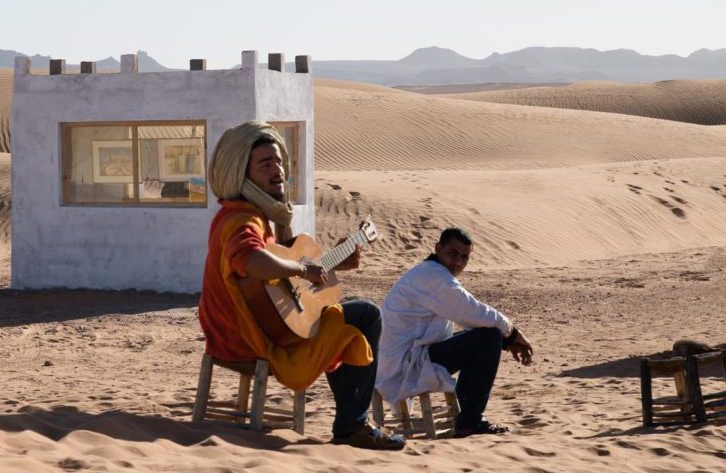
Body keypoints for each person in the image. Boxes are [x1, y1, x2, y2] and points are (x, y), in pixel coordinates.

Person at [198, 121, 404, 450]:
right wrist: (302, 268)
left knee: (333, 313)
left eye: (279, 161)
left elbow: (281, 267)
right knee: (365, 315)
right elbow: (251, 261)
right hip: (247, 338)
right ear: (242, 173)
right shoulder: (242, 220)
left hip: (244, 329)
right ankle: (352, 425)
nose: (278, 170)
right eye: (265, 164)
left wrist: (335, 261)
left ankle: (352, 423)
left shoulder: (254, 216)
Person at [375, 227, 533, 438]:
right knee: (488, 337)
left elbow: (470, 317)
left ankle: (467, 418)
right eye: (453, 253)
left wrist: (507, 342)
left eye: (465, 257)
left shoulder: (431, 273)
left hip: (412, 357)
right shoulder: (432, 276)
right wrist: (513, 334)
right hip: (405, 365)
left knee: (488, 336)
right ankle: (469, 421)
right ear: (438, 248)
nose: (458, 262)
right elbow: (472, 311)